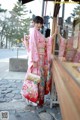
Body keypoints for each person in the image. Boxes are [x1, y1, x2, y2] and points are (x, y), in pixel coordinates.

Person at [21, 16, 57, 107]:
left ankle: (36, 98)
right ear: (33, 22)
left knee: (38, 78)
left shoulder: (37, 32)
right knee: (35, 77)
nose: (39, 25)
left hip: (40, 58)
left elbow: (45, 41)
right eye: (37, 23)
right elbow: (33, 45)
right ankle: (32, 98)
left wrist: (53, 35)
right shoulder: (33, 31)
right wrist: (34, 59)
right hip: (36, 58)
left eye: (40, 23)